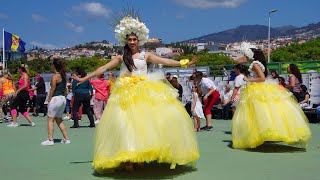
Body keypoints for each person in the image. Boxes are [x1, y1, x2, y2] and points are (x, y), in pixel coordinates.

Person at [72, 15, 199, 173]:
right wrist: (85, 78)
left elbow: (165, 61)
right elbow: (103, 69)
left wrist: (183, 62)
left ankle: (139, 156)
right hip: (125, 95)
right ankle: (129, 158)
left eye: (134, 39)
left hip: (145, 92)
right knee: (126, 126)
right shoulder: (121, 57)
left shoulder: (146, 56)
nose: (132, 42)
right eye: (129, 39)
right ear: (126, 41)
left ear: (138, 40)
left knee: (145, 126)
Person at [232, 42, 311, 149]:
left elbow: (262, 78)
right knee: (264, 113)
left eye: (245, 54)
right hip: (262, 88)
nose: (244, 57)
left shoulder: (255, 64)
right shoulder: (261, 64)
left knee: (258, 113)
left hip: (257, 89)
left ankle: (259, 136)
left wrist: (248, 79)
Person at [41, 59, 70, 146]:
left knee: (50, 119)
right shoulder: (63, 76)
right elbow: (65, 89)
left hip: (56, 99)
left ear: (53, 66)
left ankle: (50, 140)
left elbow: (52, 89)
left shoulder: (55, 76)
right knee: (59, 119)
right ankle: (66, 138)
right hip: (62, 99)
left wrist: (49, 99)